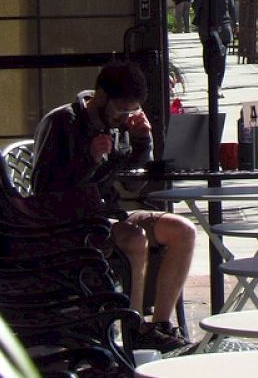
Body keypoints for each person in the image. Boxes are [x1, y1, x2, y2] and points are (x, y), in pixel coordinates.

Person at [30, 61, 196, 353]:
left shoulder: (116, 126)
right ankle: (134, 328)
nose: (124, 118)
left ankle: (159, 325)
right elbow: (43, 188)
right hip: (72, 221)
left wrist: (143, 142)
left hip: (109, 214)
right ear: (101, 96)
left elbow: (131, 185)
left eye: (132, 111)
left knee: (182, 230)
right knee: (134, 238)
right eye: (121, 110)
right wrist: (89, 159)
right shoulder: (63, 122)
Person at [195, 0, 237, 93]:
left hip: (206, 28)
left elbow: (197, 6)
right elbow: (231, 9)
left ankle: (212, 82)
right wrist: (235, 24)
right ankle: (218, 85)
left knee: (208, 55)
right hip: (223, 28)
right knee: (222, 58)